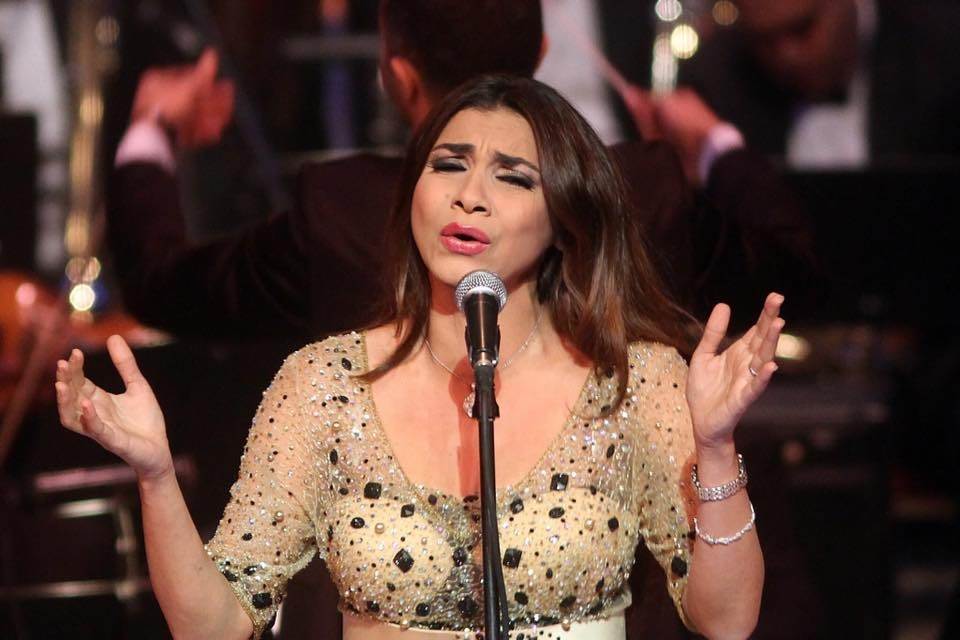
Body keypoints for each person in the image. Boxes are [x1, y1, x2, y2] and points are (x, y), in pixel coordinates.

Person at [58, 75, 781, 639]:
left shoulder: (634, 382)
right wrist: (155, 475)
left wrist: (716, 449)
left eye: (512, 177)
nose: (470, 196)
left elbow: (725, 620)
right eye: (449, 165)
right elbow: (214, 626)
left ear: (564, 218)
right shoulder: (323, 385)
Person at [107, 0, 813, 338]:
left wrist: (152, 128)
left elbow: (161, 284)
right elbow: (796, 269)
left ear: (397, 76)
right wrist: (713, 141)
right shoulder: (645, 189)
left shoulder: (339, 212)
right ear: (541, 56)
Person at [681, 0, 960, 168]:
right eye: (764, 39)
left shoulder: (940, 51)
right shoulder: (716, 79)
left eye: (801, 29)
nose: (787, 56)